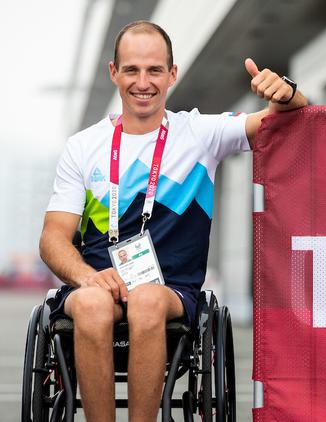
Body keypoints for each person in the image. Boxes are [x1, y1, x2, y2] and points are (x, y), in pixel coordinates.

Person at [38, 20, 307, 422]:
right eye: (131, 69)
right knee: (92, 304)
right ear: (114, 72)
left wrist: (286, 92)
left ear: (172, 74)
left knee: (146, 298)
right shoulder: (83, 147)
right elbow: (53, 239)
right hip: (95, 285)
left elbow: (282, 119)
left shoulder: (199, 133)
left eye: (154, 70)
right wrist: (87, 277)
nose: (142, 82)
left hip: (170, 290)